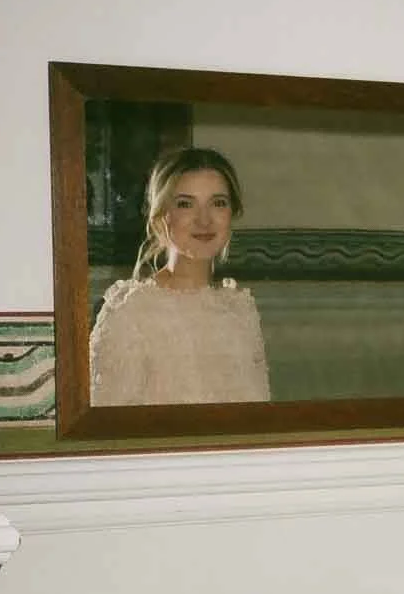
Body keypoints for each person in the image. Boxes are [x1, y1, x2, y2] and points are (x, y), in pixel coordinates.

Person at [89, 146, 270, 406]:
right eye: (185, 204)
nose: (204, 220)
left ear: (232, 214)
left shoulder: (240, 311)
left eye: (218, 203)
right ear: (161, 217)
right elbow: (108, 431)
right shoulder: (130, 313)